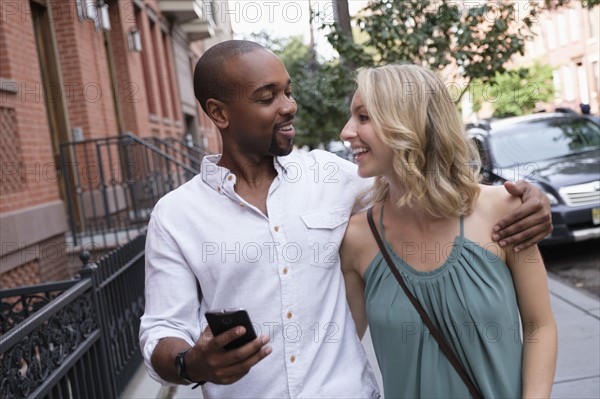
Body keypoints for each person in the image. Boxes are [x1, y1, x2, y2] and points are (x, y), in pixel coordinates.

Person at [139, 40, 552, 398]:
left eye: (288, 91)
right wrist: (191, 363)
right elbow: (160, 329)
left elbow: (422, 181)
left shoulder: (334, 176)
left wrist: (532, 200)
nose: (289, 106)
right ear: (219, 113)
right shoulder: (177, 216)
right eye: (268, 97)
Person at [339, 64, 558, 398]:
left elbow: (539, 324)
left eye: (363, 117)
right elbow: (337, 348)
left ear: (407, 122)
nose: (346, 131)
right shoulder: (357, 238)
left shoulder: (504, 209)